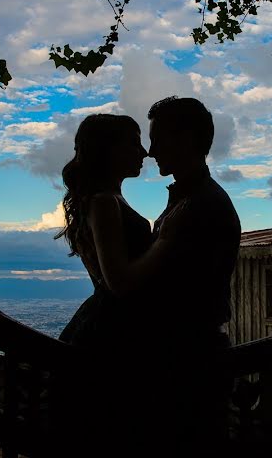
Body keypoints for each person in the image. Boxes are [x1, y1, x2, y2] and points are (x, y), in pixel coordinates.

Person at [51, 113, 180, 457]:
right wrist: (165, 241)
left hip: (105, 324)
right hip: (115, 333)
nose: (144, 152)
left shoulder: (104, 199)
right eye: (134, 142)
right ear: (109, 150)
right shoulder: (105, 203)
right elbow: (119, 283)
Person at [144, 96, 241, 457]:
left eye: (158, 139)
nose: (151, 151)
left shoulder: (200, 206)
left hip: (186, 365)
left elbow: (176, 291)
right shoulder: (196, 199)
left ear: (185, 139)